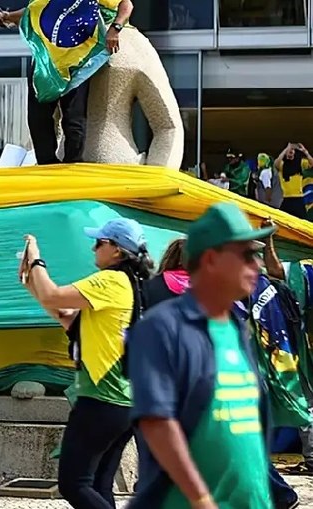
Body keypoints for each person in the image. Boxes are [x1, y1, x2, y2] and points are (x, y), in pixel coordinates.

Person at [127, 203, 275, 508]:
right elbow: (158, 423)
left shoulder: (234, 329)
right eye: (246, 256)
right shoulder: (162, 328)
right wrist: (202, 499)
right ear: (210, 259)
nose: (257, 266)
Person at [20, 217, 153, 508]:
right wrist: (32, 283)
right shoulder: (130, 283)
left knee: (73, 483)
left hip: (102, 399)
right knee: (97, 485)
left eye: (100, 243)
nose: (93, 248)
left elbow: (54, 295)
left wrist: (37, 260)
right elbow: (67, 318)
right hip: (124, 401)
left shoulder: (111, 280)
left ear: (117, 250)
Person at [0, 0, 134, 165]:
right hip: (47, 59)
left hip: (78, 58)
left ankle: (73, 163)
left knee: (74, 117)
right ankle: (46, 162)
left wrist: (116, 28)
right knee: (38, 115)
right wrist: (6, 17)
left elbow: (126, 4)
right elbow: (36, 9)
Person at [275, 142, 313, 220]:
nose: (291, 151)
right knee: (282, 220)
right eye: (289, 151)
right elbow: (276, 163)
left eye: (293, 150)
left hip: (298, 198)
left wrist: (305, 152)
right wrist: (285, 150)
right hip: (287, 199)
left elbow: (311, 163)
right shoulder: (283, 165)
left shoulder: (300, 163)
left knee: (302, 222)